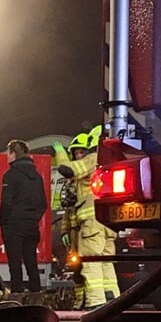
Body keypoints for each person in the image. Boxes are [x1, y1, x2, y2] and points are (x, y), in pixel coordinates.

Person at [53, 127, 119, 307]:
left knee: (91, 262)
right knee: (105, 263)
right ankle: (111, 298)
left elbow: (67, 169)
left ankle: (95, 302)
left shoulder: (93, 159)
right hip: (106, 223)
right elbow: (70, 208)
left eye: (82, 151)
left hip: (91, 224)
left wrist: (61, 154)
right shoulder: (109, 162)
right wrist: (65, 229)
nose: (80, 155)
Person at [0, 139, 46, 296]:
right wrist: (33, 218)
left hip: (13, 225)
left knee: (15, 262)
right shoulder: (37, 177)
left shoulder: (10, 175)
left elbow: (6, 202)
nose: (7, 156)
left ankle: (17, 294)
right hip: (32, 226)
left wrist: (3, 222)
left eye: (8, 153)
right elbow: (43, 204)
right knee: (31, 261)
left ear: (13, 154)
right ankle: (36, 293)